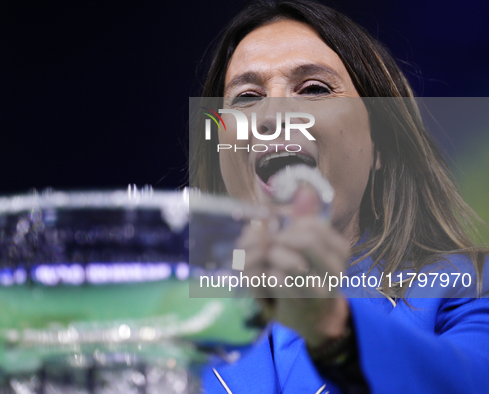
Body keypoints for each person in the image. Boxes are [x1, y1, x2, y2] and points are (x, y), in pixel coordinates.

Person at [191, 1, 489, 393]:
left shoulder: (466, 287)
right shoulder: (171, 312)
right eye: (246, 97)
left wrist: (333, 327)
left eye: (314, 88)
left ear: (379, 143)